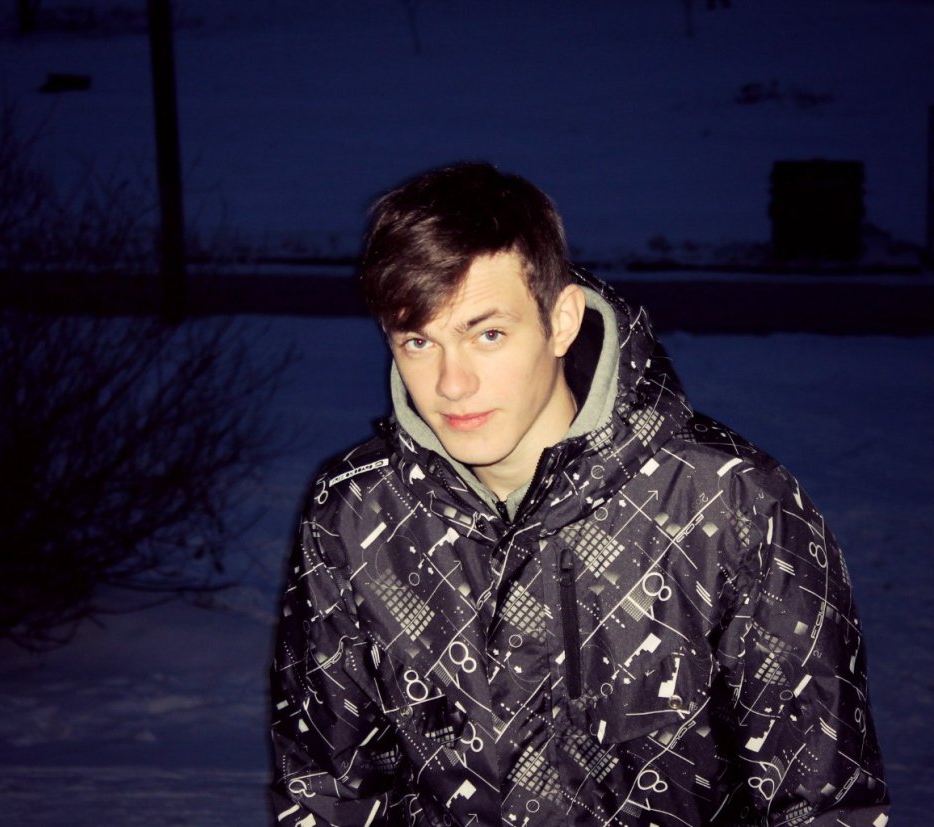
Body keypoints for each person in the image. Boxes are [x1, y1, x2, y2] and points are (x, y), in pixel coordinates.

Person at [268, 162, 889, 825]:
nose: (452, 383)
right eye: (419, 341)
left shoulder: (730, 504)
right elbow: (327, 790)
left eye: (487, 334)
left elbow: (822, 803)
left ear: (561, 321)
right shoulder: (355, 512)